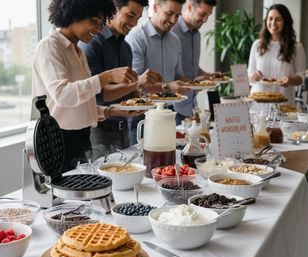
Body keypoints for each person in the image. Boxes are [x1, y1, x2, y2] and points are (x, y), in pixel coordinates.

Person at [32, 0, 142, 173]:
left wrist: (112, 111)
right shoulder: (49, 46)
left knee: (82, 196)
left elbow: (79, 104)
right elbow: (63, 95)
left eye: (101, 23)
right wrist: (108, 76)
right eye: (94, 21)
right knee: (61, 198)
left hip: (81, 138)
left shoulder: (78, 51)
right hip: (56, 140)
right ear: (75, 13)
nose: (99, 29)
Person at [79, 0, 162, 153]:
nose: (134, 23)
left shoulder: (126, 48)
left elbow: (129, 94)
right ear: (114, 9)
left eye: (138, 18)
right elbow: (99, 95)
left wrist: (141, 89)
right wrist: (137, 83)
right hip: (100, 132)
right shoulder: (92, 44)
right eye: (130, 16)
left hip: (125, 130)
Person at [125, 0, 191, 125]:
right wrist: (167, 87)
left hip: (169, 110)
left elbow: (178, 75)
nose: (173, 20)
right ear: (155, 7)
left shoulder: (175, 40)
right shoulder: (137, 38)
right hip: (142, 113)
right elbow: (133, 83)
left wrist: (194, 84)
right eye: (169, 13)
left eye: (177, 15)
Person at [247, 4, 306, 105]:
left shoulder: (297, 47)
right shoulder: (257, 45)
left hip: (283, 102)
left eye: (278, 19)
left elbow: (300, 77)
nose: (273, 23)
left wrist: (290, 80)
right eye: (270, 19)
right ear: (266, 21)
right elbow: (250, 74)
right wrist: (254, 76)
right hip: (258, 101)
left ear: (286, 22)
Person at [171, 0, 217, 119]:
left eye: (208, 16)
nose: (205, 20)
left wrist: (210, 76)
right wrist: (194, 84)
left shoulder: (197, 35)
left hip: (191, 106)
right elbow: (169, 72)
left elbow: (192, 67)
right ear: (190, 7)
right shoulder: (172, 32)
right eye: (202, 14)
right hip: (174, 107)